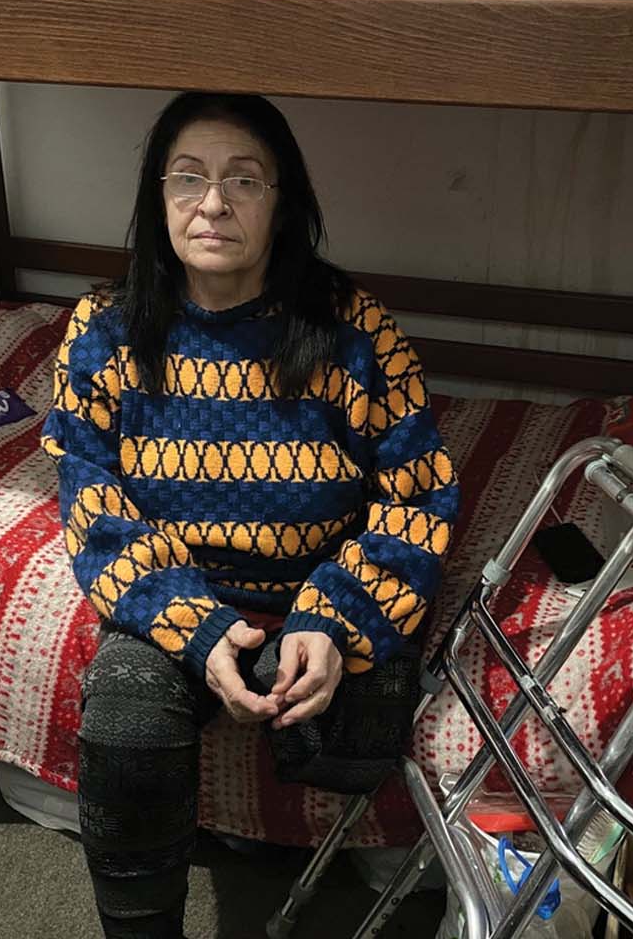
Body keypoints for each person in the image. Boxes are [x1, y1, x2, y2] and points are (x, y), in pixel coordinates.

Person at [41, 92, 460, 939]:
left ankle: (274, 822)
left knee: (357, 737)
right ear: (157, 200)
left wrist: (334, 620)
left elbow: (416, 490)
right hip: (183, 593)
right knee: (122, 715)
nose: (213, 204)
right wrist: (191, 627)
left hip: (317, 587)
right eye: (187, 179)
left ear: (283, 203)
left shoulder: (355, 331)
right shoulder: (103, 329)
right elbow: (92, 501)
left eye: (244, 181)